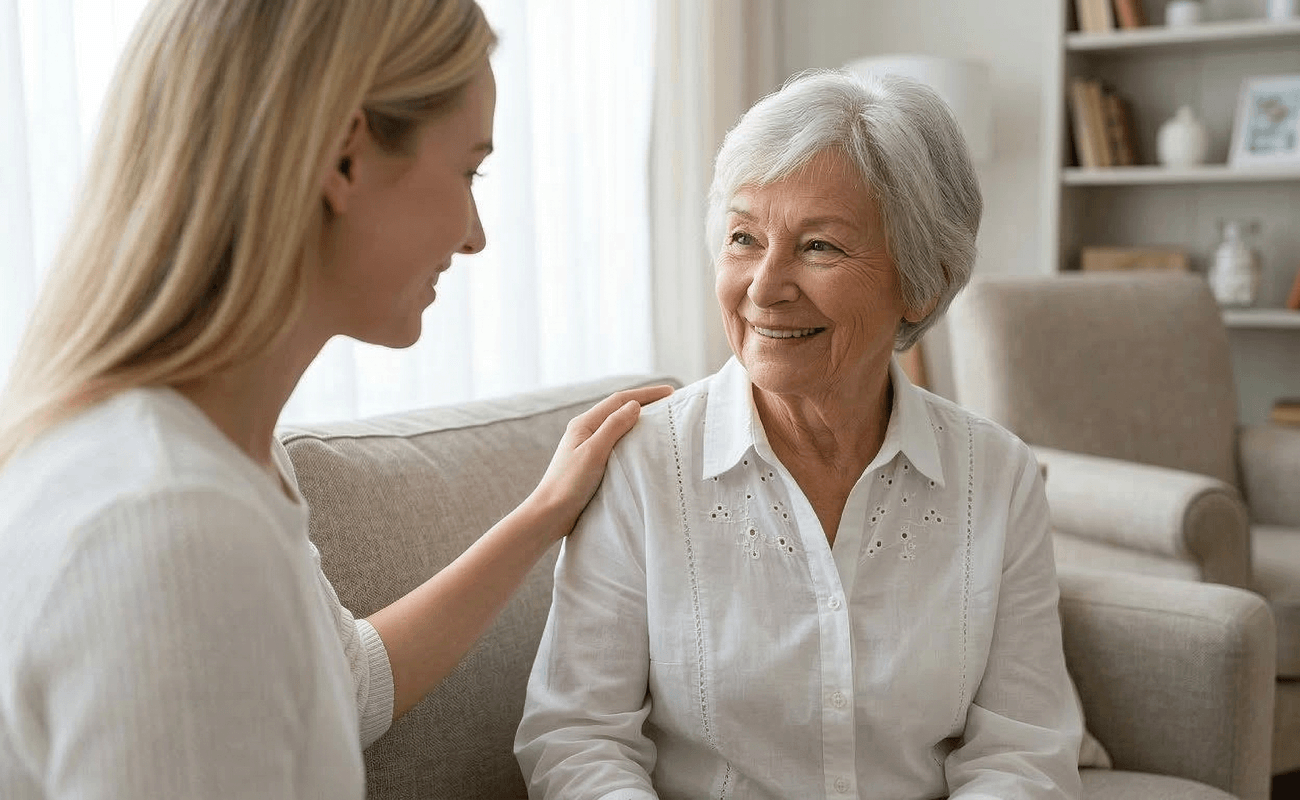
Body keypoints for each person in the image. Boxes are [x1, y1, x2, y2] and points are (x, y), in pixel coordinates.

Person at [0, 1, 670, 798]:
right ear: (344, 158)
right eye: (468, 172)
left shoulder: (223, 455)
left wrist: (544, 513)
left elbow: (348, 689)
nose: (476, 234)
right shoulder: (173, 525)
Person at [516, 69, 1083, 800]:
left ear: (923, 281)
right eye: (744, 236)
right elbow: (576, 740)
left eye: (819, 247)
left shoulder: (998, 476)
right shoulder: (642, 465)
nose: (764, 286)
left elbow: (1024, 751)